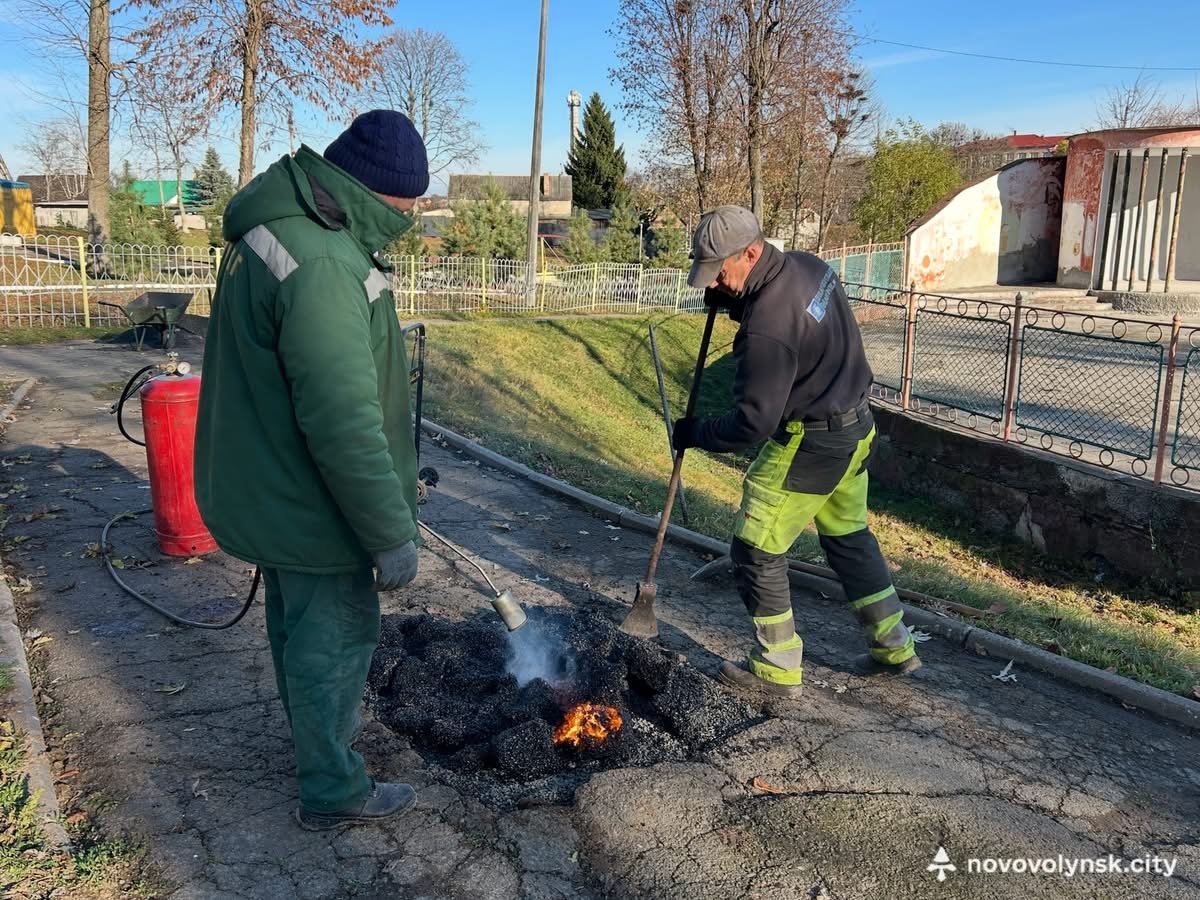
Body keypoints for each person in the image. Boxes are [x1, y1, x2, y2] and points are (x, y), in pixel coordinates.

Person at [194, 110, 426, 829]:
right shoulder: (324, 261)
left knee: (298, 631)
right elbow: (342, 419)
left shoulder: (279, 225)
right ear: (377, 195)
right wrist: (389, 530)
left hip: (272, 490)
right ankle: (333, 791)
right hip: (313, 505)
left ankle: (314, 749)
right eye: (410, 205)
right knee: (334, 640)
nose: (415, 216)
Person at [672, 205, 920, 699]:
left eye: (720, 273)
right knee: (849, 537)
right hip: (857, 427)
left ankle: (776, 668)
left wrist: (695, 432)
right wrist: (734, 301)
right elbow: (797, 325)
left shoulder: (767, 328)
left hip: (812, 443)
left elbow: (752, 422)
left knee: (755, 545)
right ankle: (895, 645)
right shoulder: (810, 266)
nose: (714, 284)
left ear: (752, 251)